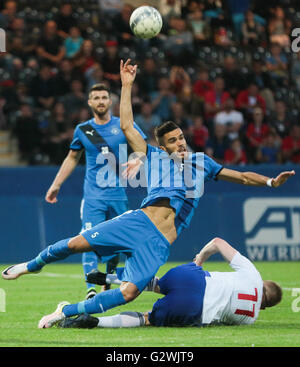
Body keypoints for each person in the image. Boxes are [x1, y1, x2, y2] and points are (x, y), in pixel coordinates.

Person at [2, 60, 295, 329]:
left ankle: (64, 312)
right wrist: (126, 85)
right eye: (173, 141)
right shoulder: (154, 157)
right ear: (163, 146)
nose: (180, 143)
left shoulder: (201, 163)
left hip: (160, 243)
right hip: (139, 222)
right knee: (76, 244)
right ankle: (32, 265)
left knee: (129, 293)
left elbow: (242, 176)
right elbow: (127, 126)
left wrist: (270, 183)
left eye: (181, 137)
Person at [48, 82, 146, 299]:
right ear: (90, 102)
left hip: (118, 195)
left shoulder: (124, 126)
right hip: (93, 196)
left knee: (118, 245)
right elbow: (72, 157)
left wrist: (138, 160)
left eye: (104, 97)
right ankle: (90, 290)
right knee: (88, 239)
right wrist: (56, 184)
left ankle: (108, 280)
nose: (101, 101)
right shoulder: (83, 130)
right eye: (97, 98)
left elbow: (143, 146)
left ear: (110, 101)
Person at [58, 237, 282, 328]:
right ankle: (96, 322)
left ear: (263, 282)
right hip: (195, 308)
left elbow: (217, 242)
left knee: (156, 284)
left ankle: (109, 277)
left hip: (193, 276)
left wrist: (200, 259)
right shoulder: (250, 319)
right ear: (264, 306)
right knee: (146, 319)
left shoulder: (253, 274)